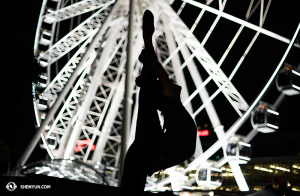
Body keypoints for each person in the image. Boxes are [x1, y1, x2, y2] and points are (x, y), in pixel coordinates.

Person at [119, 10, 197, 196]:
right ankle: (148, 46)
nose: (177, 86)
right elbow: (160, 74)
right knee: (147, 93)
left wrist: (148, 44)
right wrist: (149, 58)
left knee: (147, 95)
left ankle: (148, 45)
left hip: (165, 149)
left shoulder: (172, 107)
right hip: (167, 149)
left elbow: (160, 75)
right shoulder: (172, 107)